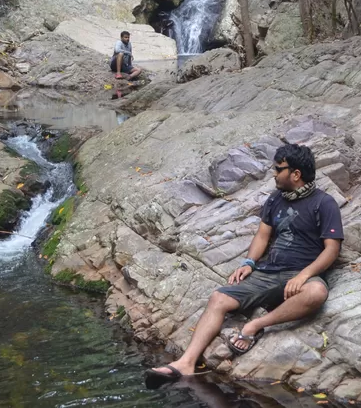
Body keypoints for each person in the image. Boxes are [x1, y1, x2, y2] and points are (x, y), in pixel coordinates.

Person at [145, 144, 343, 387]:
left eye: (278, 169)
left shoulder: (324, 203)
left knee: (317, 292)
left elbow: (332, 249)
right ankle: (186, 362)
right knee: (219, 298)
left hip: (301, 274)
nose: (273, 173)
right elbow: (262, 235)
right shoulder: (274, 200)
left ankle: (256, 325)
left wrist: (304, 275)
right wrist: (249, 262)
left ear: (296, 174)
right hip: (268, 273)